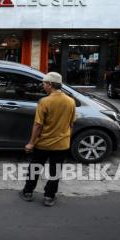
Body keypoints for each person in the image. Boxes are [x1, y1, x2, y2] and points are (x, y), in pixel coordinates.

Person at [19, 72, 76, 207]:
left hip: (43, 144)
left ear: (50, 85)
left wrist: (31, 143)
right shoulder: (70, 101)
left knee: (35, 168)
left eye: (44, 83)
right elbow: (71, 124)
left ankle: (27, 192)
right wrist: (66, 138)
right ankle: (49, 197)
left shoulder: (45, 101)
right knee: (55, 172)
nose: (43, 86)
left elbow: (38, 125)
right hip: (61, 145)